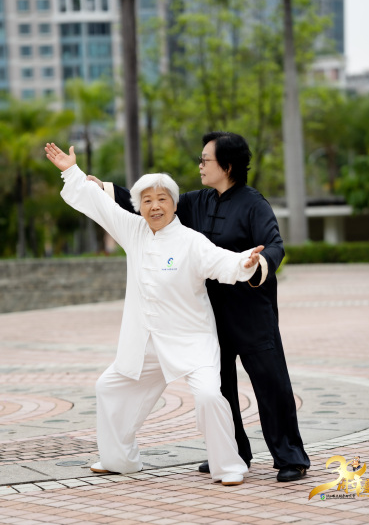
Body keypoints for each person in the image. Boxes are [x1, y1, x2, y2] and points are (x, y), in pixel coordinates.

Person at [93, 131, 310, 482]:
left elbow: (275, 245)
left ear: (227, 166)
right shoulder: (198, 201)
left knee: (270, 384)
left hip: (251, 313)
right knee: (220, 387)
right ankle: (233, 453)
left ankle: (290, 457)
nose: (200, 165)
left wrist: (257, 263)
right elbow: (154, 204)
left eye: (205, 160)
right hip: (210, 314)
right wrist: (103, 189)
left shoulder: (254, 204)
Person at [45, 141, 264, 486]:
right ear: (139, 207)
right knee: (108, 387)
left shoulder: (191, 241)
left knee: (209, 395)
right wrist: (71, 171)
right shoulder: (133, 230)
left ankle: (229, 466)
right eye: (146, 200)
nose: (154, 206)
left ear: (174, 204)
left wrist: (245, 262)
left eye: (162, 199)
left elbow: (222, 261)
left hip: (190, 339)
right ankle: (120, 460)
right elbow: (100, 206)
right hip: (145, 341)